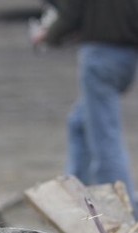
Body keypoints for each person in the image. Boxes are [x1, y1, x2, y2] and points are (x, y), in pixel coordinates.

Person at [32, 0, 138, 216]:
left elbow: (71, 13)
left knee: (105, 137)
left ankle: (124, 211)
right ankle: (72, 197)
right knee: (80, 123)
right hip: (127, 58)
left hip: (100, 56)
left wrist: (47, 36)